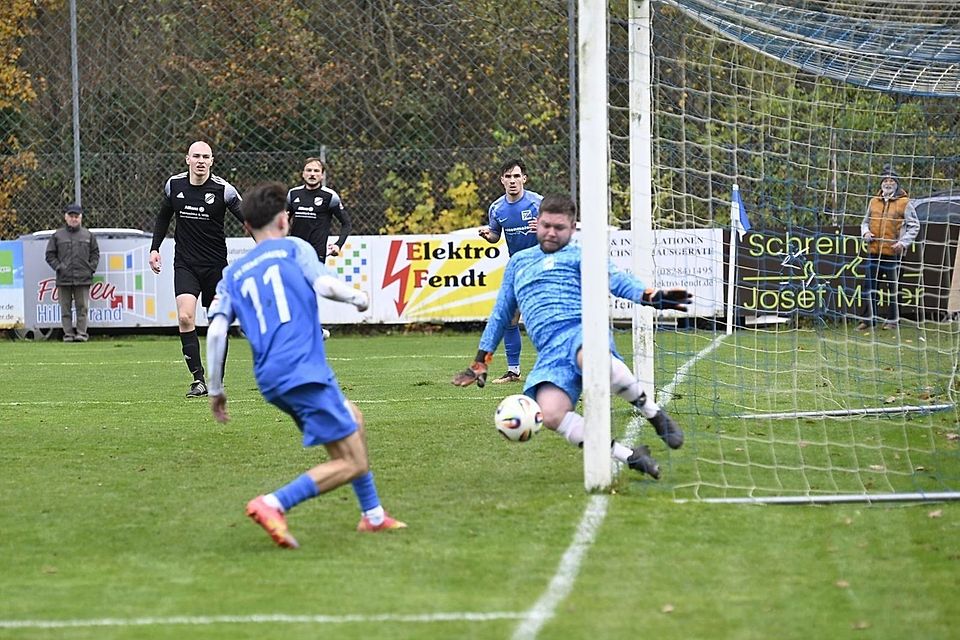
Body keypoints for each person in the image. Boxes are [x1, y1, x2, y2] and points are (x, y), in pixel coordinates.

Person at [206, 182, 405, 549]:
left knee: (353, 419)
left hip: (272, 378)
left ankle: (373, 516)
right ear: (285, 220)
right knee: (353, 463)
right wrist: (359, 298)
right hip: (303, 371)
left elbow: (217, 331)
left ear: (246, 227)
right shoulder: (294, 247)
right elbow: (327, 285)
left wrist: (216, 390)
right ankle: (273, 503)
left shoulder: (232, 274)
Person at [453, 194, 691, 479]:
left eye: (559, 227)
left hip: (580, 332)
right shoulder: (518, 263)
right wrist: (482, 360)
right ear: (536, 225)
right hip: (550, 355)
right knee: (551, 414)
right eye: (545, 225)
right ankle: (630, 457)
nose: (551, 232)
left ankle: (654, 414)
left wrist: (650, 296)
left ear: (572, 228)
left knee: (590, 358)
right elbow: (501, 313)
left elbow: (617, 281)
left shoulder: (581, 254)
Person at [149, 141, 244, 398]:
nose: (201, 161)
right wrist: (155, 248)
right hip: (185, 264)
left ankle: (217, 381)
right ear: (187, 159)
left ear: (212, 161)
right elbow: (163, 217)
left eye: (206, 157)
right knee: (184, 317)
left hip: (215, 267)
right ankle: (198, 379)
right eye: (196, 156)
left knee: (217, 324)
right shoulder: (175, 185)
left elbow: (248, 219)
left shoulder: (224, 190)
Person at [478, 159, 542, 384]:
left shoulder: (538, 203)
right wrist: (489, 237)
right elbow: (496, 235)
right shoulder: (497, 208)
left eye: (517, 176)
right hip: (517, 267)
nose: (513, 181)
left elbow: (559, 231)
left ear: (524, 178)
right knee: (510, 319)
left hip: (541, 266)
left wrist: (544, 228)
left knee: (543, 319)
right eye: (508, 177)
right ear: (502, 180)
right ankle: (514, 371)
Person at [857, 166, 920, 331]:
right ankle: (867, 320)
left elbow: (914, 226)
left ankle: (893, 321)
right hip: (874, 252)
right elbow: (864, 222)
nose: (888, 183)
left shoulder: (904, 203)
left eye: (892, 180)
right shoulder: (873, 201)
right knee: (870, 286)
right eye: (885, 180)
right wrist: (866, 233)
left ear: (897, 184)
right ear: (881, 183)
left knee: (894, 287)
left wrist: (903, 243)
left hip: (894, 253)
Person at [44, 203, 99, 343]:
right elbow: (50, 255)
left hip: (83, 278)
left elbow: (95, 254)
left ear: (81, 218)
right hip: (64, 278)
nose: (74, 219)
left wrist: (90, 268)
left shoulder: (88, 235)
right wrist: (59, 267)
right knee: (65, 309)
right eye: (71, 216)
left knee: (83, 308)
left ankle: (81, 334)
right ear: (66, 217)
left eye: (76, 216)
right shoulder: (57, 236)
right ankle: (68, 335)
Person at [286, 157, 352, 263]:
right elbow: (284, 221)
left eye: (316, 171)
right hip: (296, 251)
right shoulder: (293, 194)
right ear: (303, 174)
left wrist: (338, 245)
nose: (312, 174)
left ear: (322, 176)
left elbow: (346, 223)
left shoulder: (330, 196)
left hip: (316, 253)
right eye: (309, 170)